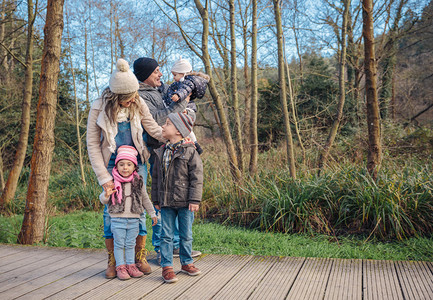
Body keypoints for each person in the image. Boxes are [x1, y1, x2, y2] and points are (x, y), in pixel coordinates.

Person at [87, 58, 165, 279]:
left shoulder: (137, 101)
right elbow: (92, 143)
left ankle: (137, 256)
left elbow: (152, 127)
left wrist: (172, 137)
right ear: (116, 97)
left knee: (138, 206)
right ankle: (114, 259)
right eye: (128, 98)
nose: (133, 100)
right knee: (110, 210)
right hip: (111, 163)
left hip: (136, 162)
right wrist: (104, 178)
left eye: (134, 96)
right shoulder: (99, 106)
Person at [133, 57, 202, 264]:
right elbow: (158, 120)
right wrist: (182, 103)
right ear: (145, 75)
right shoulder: (140, 97)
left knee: (178, 197)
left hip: (176, 148)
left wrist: (188, 102)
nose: (161, 74)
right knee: (163, 200)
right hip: (158, 151)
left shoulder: (161, 89)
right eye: (156, 71)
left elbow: (186, 106)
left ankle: (179, 246)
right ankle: (163, 246)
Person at [152, 112, 203, 283]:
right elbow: (156, 179)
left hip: (185, 202)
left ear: (179, 131)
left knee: (185, 234)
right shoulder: (161, 151)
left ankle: (186, 262)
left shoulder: (190, 152)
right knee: (165, 234)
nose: (163, 126)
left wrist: (195, 200)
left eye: (167, 123)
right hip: (166, 202)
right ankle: (167, 266)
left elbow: (197, 178)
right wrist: (156, 200)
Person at [100, 146, 158, 280]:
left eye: (128, 164)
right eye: (121, 164)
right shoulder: (112, 182)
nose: (125, 167)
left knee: (131, 244)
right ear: (116, 166)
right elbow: (103, 200)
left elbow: (145, 198)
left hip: (133, 219)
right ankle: (120, 266)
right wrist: (106, 195)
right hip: (117, 219)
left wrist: (152, 213)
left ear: (134, 167)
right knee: (119, 244)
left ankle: (131, 265)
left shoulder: (138, 181)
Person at [163, 57, 210, 155]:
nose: (173, 77)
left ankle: (195, 144)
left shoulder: (187, 82)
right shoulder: (180, 82)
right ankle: (191, 144)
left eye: (175, 75)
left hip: (186, 108)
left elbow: (185, 90)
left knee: (185, 129)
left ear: (183, 73)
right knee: (183, 129)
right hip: (183, 107)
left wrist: (178, 96)